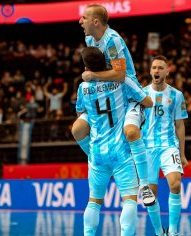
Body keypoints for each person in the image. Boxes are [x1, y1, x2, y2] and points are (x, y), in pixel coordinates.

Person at [73, 3, 156, 206]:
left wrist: (92, 76)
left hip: (125, 92)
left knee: (130, 132)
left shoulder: (113, 41)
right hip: (103, 92)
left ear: (95, 22)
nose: (80, 21)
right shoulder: (89, 38)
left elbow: (120, 75)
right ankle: (100, 161)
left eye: (83, 18)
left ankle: (143, 181)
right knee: (78, 129)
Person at [76, 47, 143, 236]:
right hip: (121, 150)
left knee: (94, 201)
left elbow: (81, 113)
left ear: (87, 66)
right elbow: (143, 100)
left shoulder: (83, 87)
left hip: (97, 150)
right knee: (129, 199)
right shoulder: (120, 83)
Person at [143, 55, 189, 236]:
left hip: (169, 145)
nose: (157, 71)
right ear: (150, 71)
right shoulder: (142, 94)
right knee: (150, 195)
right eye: (154, 67)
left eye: (160, 68)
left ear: (167, 71)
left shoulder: (177, 95)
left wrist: (182, 154)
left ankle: (174, 231)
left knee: (175, 184)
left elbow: (180, 125)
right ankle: (158, 232)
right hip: (147, 149)